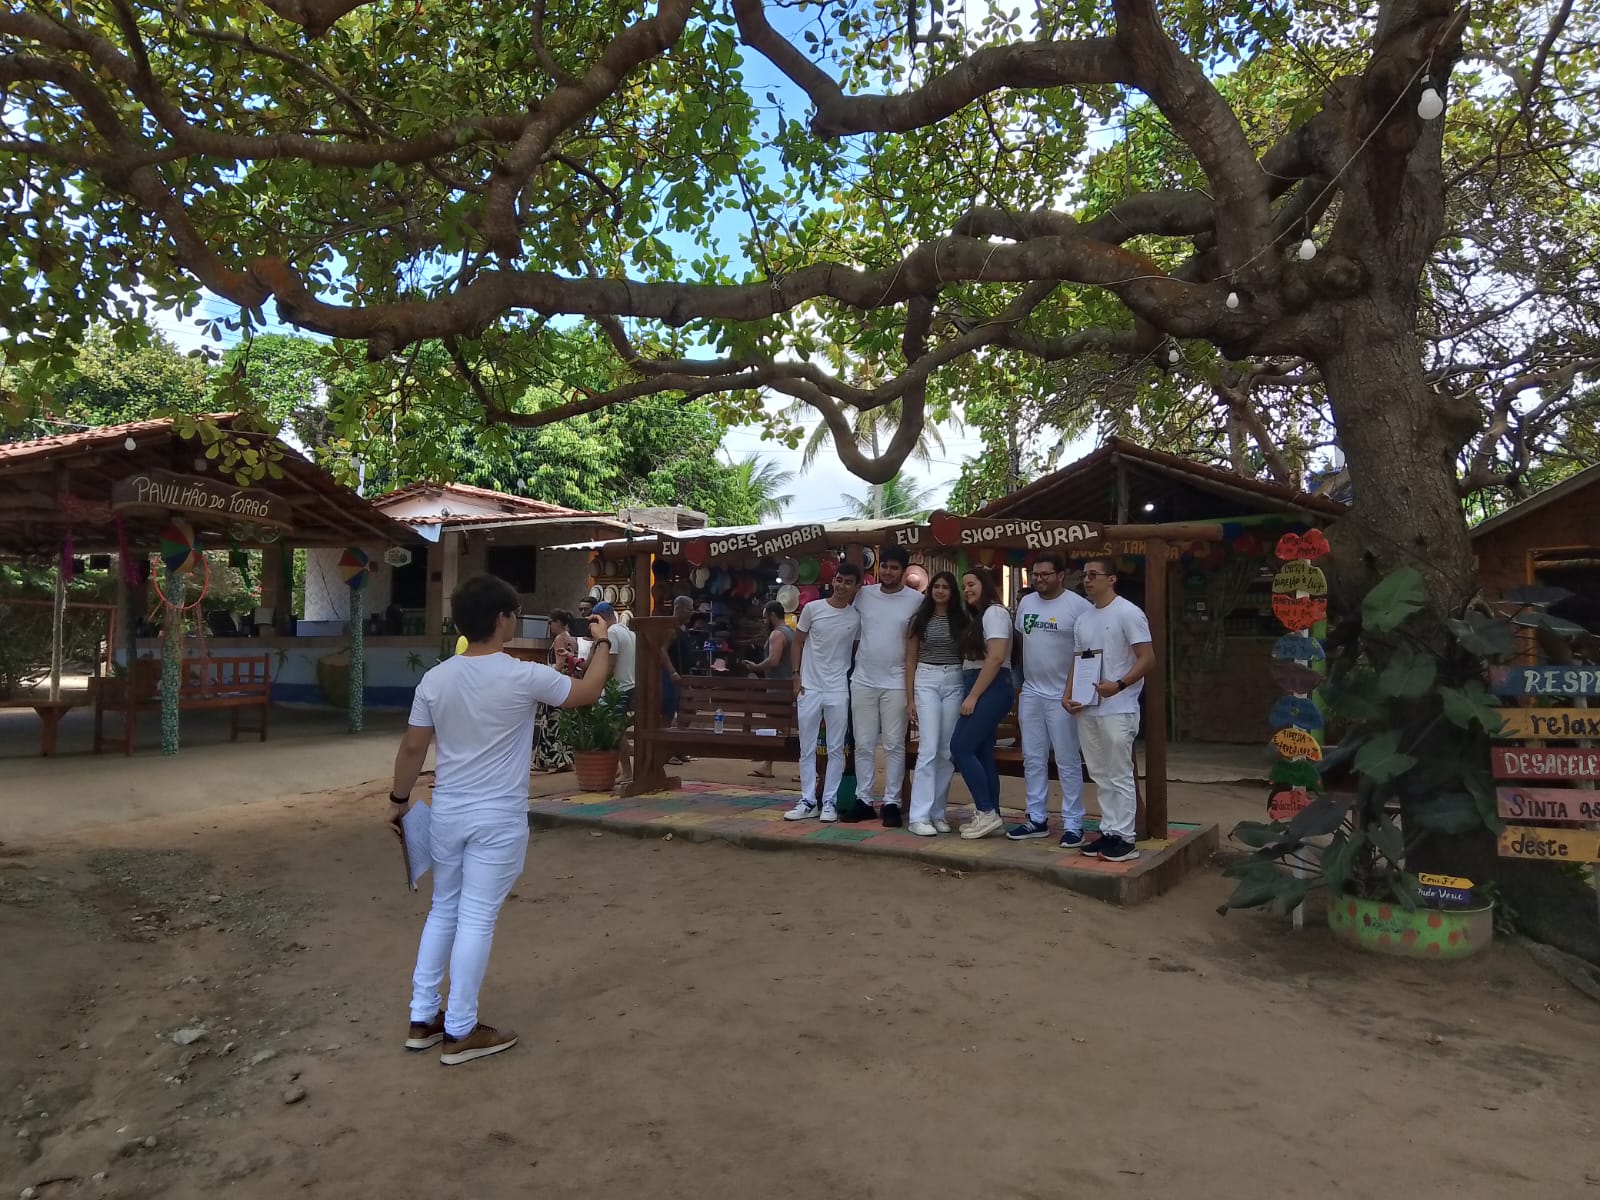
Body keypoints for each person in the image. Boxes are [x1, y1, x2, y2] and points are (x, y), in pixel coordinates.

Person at [387, 574, 617, 1065]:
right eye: (513, 613)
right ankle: (461, 1029)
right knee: (476, 917)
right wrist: (603, 643)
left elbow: (412, 748)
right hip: (497, 817)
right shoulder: (522, 675)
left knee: (443, 909)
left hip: (447, 812)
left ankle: (422, 1018)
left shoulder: (435, 680)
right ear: (502, 619)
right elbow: (587, 692)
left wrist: (398, 799)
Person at [1063, 557, 1155, 863]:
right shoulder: (1083, 619)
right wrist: (1068, 694)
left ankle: (1126, 838)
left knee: (1119, 773)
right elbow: (1079, 660)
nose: (1087, 580)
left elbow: (1147, 658)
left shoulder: (1129, 613)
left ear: (1112, 579)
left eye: (1094, 575)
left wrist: (1119, 684)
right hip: (1088, 706)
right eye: (1085, 575)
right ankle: (1110, 830)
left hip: (1119, 707)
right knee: (1100, 773)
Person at [1008, 552, 1094, 845]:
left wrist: (1077, 692)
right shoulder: (1027, 603)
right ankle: (1036, 818)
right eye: (1035, 574)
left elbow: (1087, 653)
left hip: (1063, 696)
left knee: (1068, 760)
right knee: (1033, 758)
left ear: (1061, 575)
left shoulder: (1079, 607)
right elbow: (1022, 642)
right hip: (1032, 691)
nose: (1039, 579)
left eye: (1045, 574)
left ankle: (1073, 824)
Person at [850, 544, 924, 827]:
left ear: (904, 571)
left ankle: (892, 802)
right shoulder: (864, 595)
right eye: (885, 566)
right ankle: (864, 800)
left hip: (897, 682)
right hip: (863, 679)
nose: (888, 572)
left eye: (894, 568)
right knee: (863, 743)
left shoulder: (916, 600)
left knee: (893, 744)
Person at [784, 563, 862, 822]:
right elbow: (798, 641)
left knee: (836, 748)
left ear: (856, 587)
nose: (841, 586)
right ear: (833, 580)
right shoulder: (812, 609)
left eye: (848, 582)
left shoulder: (855, 618)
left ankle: (829, 801)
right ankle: (808, 801)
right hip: (809, 686)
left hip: (838, 688)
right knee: (806, 747)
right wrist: (796, 676)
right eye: (839, 580)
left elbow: (856, 651)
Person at [949, 566, 1014, 840]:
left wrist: (973, 695)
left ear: (985, 585)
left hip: (991, 685)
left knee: (960, 747)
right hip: (982, 682)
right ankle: (992, 815)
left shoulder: (995, 613)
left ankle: (986, 810)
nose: (967, 590)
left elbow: (996, 657)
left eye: (972, 584)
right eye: (964, 586)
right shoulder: (980, 616)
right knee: (982, 752)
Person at [904, 571, 969, 837]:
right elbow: (910, 660)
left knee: (946, 750)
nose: (941, 591)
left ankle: (937, 812)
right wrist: (910, 699)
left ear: (953, 592)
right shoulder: (919, 619)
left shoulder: (962, 619)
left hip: (954, 679)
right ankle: (918, 816)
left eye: (946, 587)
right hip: (927, 679)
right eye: (937, 587)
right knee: (928, 748)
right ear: (930, 590)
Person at [742, 600, 794, 779]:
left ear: (772, 615)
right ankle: (767, 763)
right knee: (783, 726)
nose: (764, 621)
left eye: (765, 617)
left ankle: (769, 765)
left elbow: (773, 660)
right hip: (787, 685)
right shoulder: (791, 632)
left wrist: (755, 667)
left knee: (776, 726)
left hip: (778, 687)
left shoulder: (777, 634)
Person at [591, 602, 636, 787]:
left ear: (601, 617)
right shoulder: (629, 632)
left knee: (616, 731)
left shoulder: (612, 633)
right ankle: (617, 768)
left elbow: (610, 663)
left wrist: (598, 685)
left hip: (618, 689)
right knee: (617, 730)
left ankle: (626, 771)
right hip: (631, 685)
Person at [532, 608, 579, 772]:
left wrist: (545, 674)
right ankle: (562, 759)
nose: (549, 626)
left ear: (558, 622)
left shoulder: (560, 638)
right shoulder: (572, 638)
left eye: (550, 622)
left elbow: (559, 664)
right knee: (562, 722)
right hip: (568, 683)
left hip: (557, 683)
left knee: (552, 721)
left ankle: (553, 760)